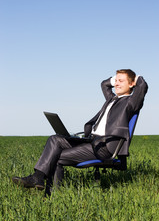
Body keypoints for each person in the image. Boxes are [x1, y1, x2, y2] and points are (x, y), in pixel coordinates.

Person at [12, 69, 148, 194]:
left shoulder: (131, 102)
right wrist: (116, 79)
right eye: (116, 81)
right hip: (91, 141)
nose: (117, 84)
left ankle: (51, 196)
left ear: (131, 84)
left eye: (121, 81)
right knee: (55, 138)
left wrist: (137, 78)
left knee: (56, 157)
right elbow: (104, 84)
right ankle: (38, 177)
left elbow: (142, 87)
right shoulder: (111, 99)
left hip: (104, 147)